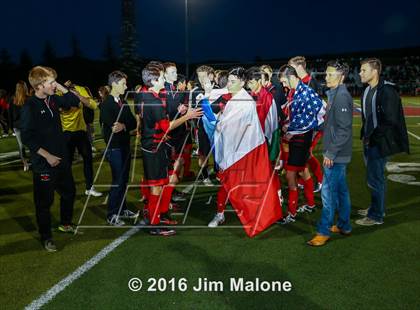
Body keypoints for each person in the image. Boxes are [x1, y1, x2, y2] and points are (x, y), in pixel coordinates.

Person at [21, 66, 81, 252]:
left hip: (61, 159)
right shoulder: (30, 107)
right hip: (44, 164)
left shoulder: (53, 99)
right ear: (39, 86)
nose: (54, 85)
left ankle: (65, 223)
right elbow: (27, 138)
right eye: (50, 82)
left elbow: (73, 101)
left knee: (69, 193)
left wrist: (59, 86)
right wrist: (48, 156)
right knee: (44, 203)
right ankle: (47, 237)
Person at [139, 61, 202, 235]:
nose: (163, 80)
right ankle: (154, 224)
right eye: (160, 77)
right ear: (153, 81)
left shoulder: (146, 96)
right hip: (154, 148)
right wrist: (187, 116)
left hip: (155, 144)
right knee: (157, 186)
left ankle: (159, 215)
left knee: (163, 183)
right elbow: (166, 126)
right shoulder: (154, 100)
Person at [355, 58, 409, 226]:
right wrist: (365, 135)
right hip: (369, 141)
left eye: (364, 70)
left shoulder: (387, 90)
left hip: (378, 142)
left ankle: (376, 215)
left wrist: (374, 137)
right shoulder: (366, 90)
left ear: (375, 71)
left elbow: (391, 120)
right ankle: (376, 207)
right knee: (374, 178)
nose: (360, 73)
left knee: (375, 179)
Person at [308, 61, 353, 246]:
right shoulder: (334, 94)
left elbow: (344, 129)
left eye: (330, 74)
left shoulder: (341, 96)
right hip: (338, 153)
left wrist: (331, 153)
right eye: (326, 74)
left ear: (341, 76)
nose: (326, 77)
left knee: (328, 193)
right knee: (341, 191)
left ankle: (323, 231)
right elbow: (333, 124)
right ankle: (344, 225)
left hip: (336, 154)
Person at [278, 65, 325, 224]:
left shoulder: (305, 93)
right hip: (300, 137)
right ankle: (311, 204)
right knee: (304, 171)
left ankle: (291, 214)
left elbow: (315, 114)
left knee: (291, 175)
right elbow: (298, 115)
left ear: (292, 77)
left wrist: (292, 130)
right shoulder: (296, 91)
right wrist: (289, 124)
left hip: (301, 139)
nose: (284, 85)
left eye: (284, 81)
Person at [100, 70, 138, 226]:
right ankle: (112, 214)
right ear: (114, 84)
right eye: (123, 83)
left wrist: (124, 125)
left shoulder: (122, 101)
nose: (126, 86)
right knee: (117, 180)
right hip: (115, 148)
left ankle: (122, 209)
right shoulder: (106, 104)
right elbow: (115, 127)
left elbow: (133, 123)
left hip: (124, 145)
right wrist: (124, 124)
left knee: (123, 180)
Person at [61, 80, 102, 197]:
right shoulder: (57, 91)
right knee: (67, 162)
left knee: (88, 159)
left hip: (81, 130)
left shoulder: (79, 88)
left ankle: (89, 187)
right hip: (65, 132)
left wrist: (77, 95)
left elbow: (93, 105)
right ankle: (66, 188)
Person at [288, 56, 323, 192]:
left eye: (292, 67)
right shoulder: (300, 82)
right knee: (304, 154)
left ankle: (320, 180)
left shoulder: (310, 83)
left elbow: (314, 108)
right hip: (302, 126)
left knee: (307, 153)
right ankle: (304, 179)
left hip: (312, 126)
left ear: (300, 67)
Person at [11, 81, 30, 171]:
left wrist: (11, 126)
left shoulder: (13, 99)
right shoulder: (28, 98)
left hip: (17, 125)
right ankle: (33, 161)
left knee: (21, 145)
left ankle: (25, 164)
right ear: (25, 87)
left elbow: (11, 115)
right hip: (26, 125)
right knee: (32, 144)